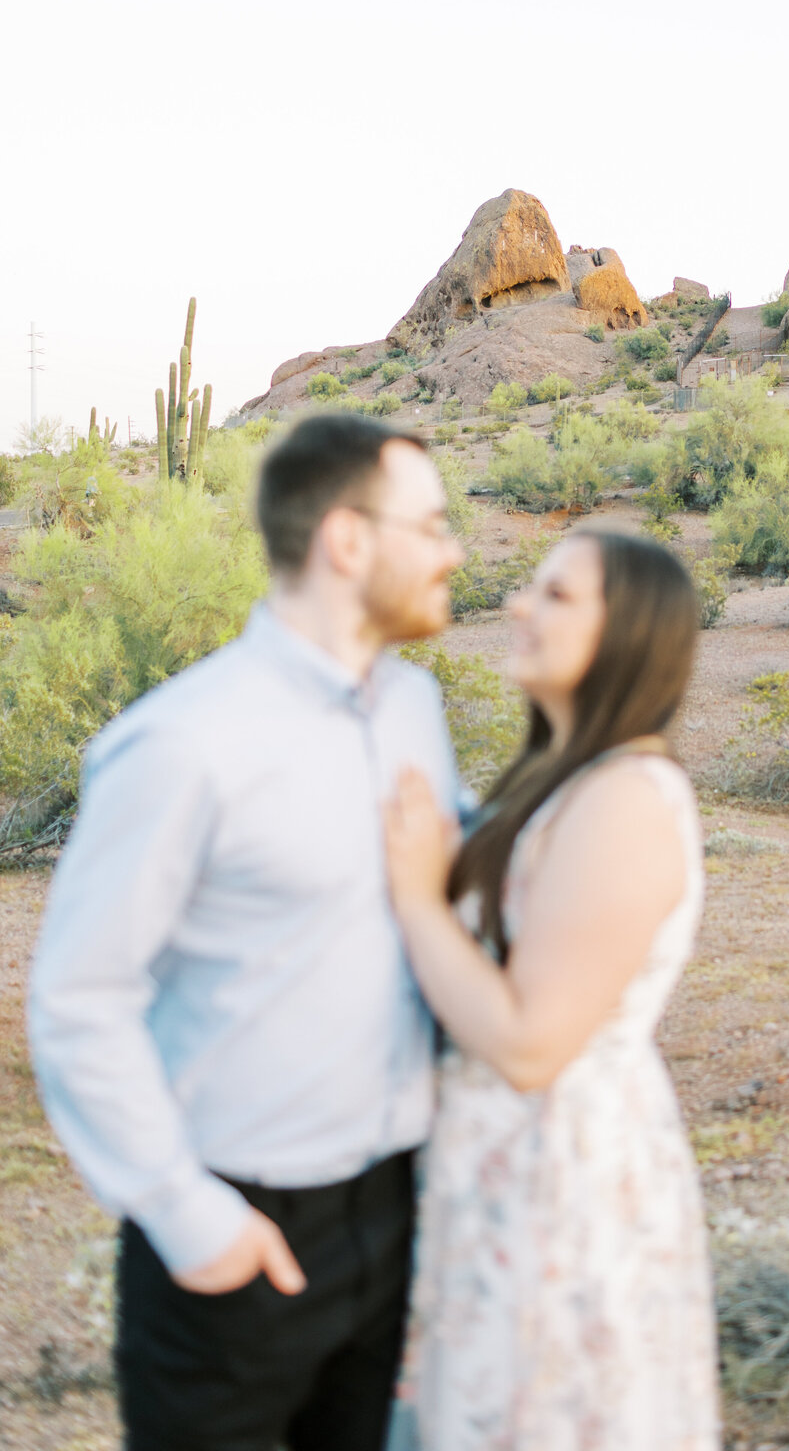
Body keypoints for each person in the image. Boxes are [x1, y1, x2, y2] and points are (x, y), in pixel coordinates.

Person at [29, 413, 464, 1451]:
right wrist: (186, 1212)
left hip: (391, 1206)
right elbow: (79, 998)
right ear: (348, 542)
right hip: (237, 1226)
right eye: (433, 524)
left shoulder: (417, 708)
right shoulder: (183, 744)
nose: (452, 552)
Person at [384, 529, 721, 1449]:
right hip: (509, 1166)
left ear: (630, 634)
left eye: (556, 595)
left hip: (562, 1177)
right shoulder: (561, 782)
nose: (519, 607)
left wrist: (418, 900)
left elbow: (532, 1044)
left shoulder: (626, 800)